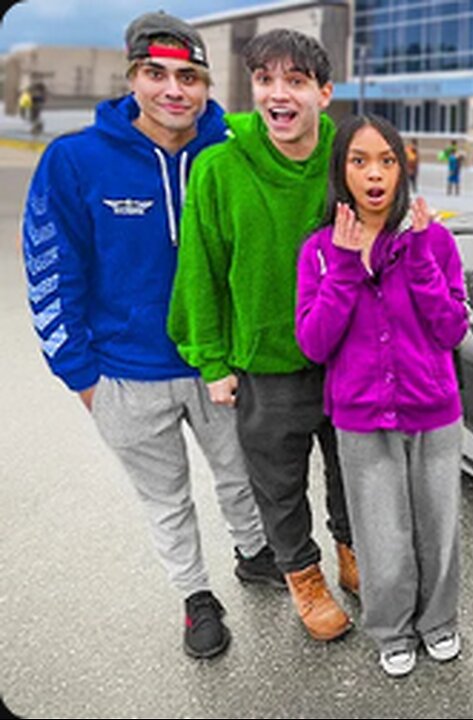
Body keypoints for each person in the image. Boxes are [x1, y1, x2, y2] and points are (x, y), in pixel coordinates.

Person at [21, 11, 279, 660]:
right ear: (132, 76)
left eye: (189, 77)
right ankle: (197, 600)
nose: (174, 90)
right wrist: (82, 379)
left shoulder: (234, 151)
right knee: (167, 501)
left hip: (218, 365)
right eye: (157, 74)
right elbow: (52, 270)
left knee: (241, 476)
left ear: (206, 83)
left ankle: (254, 554)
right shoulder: (75, 161)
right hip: (125, 376)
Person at [168, 29, 357, 642]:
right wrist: (213, 361)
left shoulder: (347, 158)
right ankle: (304, 577)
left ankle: (353, 554)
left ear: (324, 94)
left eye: (296, 81)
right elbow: (200, 269)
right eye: (266, 80)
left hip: (347, 355)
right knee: (279, 485)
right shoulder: (220, 168)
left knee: (354, 469)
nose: (279, 94)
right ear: (252, 89)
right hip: (267, 362)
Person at [296, 115, 468, 677]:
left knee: (437, 528)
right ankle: (392, 629)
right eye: (360, 160)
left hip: (433, 411)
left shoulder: (434, 240)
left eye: (387, 161)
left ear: (402, 169)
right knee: (380, 533)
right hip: (362, 418)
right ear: (341, 171)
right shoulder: (320, 252)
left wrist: (419, 262)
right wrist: (345, 270)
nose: (374, 175)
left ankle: (439, 622)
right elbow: (315, 343)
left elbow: (451, 329)